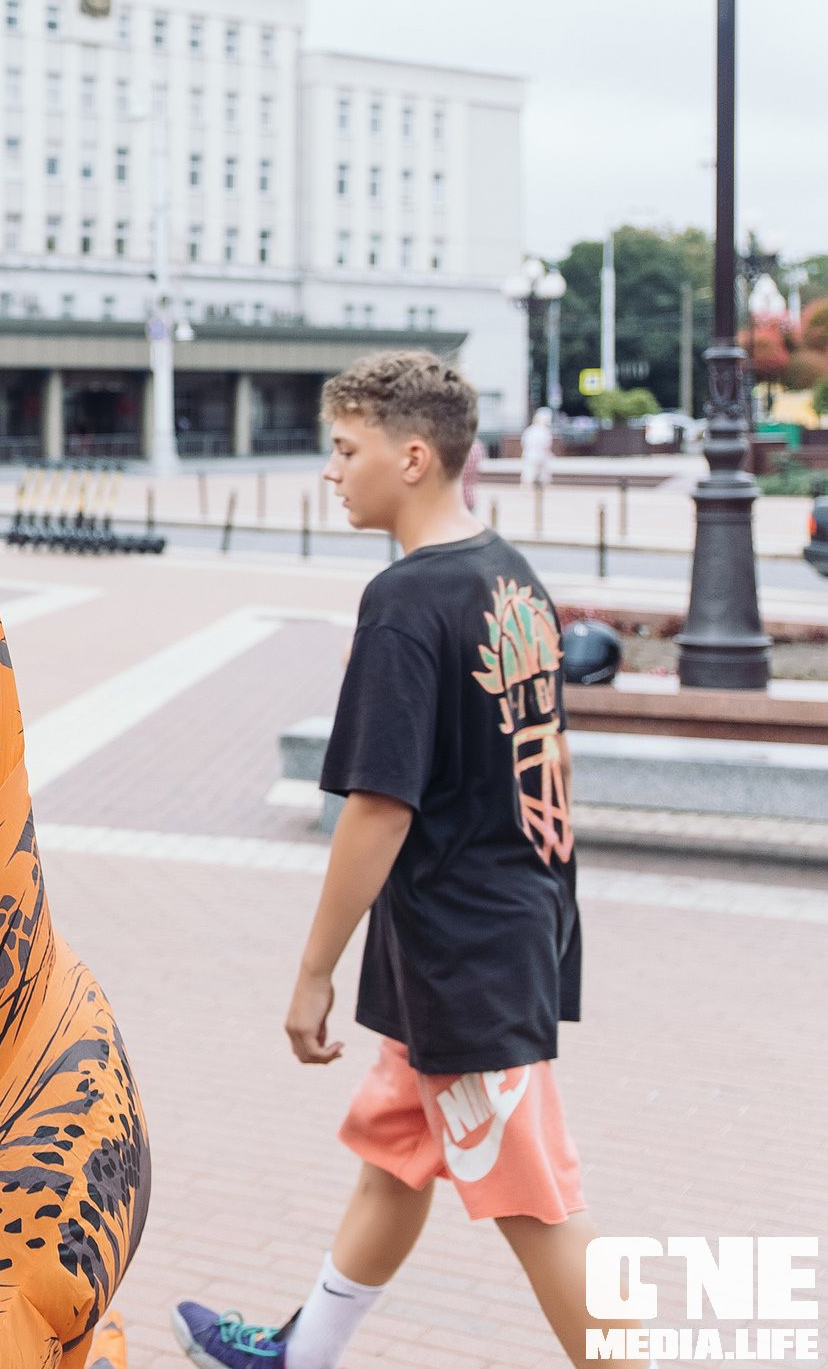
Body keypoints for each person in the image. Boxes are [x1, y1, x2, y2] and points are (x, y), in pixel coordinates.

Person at [172, 351, 619, 1369]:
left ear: (411, 455)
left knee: (534, 1199)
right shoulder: (508, 570)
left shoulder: (406, 601)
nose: (331, 470)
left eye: (344, 447)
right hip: (499, 923)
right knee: (394, 1150)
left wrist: (312, 969)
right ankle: (301, 1353)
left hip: (466, 947)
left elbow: (375, 808)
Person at [519, 404, 556, 489]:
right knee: (543, 474)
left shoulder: (530, 429)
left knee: (528, 474)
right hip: (540, 456)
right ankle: (541, 490)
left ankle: (526, 489)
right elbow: (546, 446)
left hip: (529, 455)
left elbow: (523, 443)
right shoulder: (545, 431)